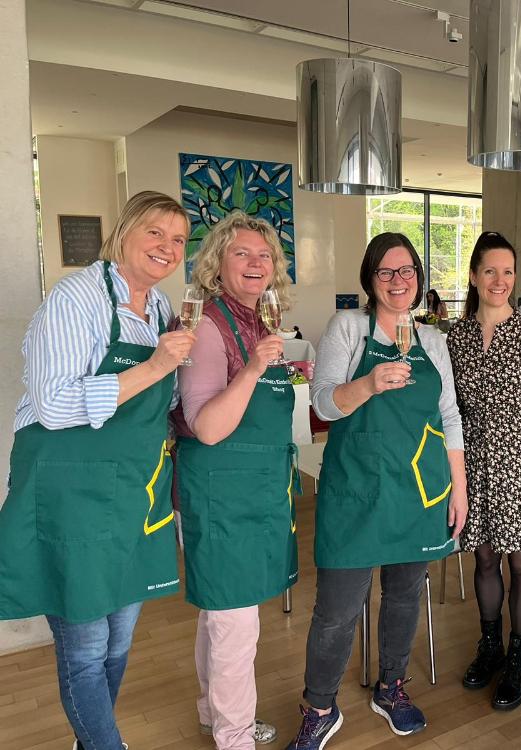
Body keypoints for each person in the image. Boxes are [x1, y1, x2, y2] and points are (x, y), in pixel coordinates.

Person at [0, 191, 195, 750]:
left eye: (178, 239)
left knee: (117, 642)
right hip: (69, 493)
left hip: (131, 494)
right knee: (84, 649)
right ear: (125, 232)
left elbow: (161, 406)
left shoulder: (158, 310)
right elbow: (54, 404)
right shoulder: (75, 297)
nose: (167, 247)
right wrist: (158, 363)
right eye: (155, 232)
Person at [285, 232, 468, 749]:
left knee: (406, 595)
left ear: (419, 279)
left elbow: (449, 416)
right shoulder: (348, 327)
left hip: (419, 490)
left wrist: (460, 490)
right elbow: (322, 405)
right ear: (370, 279)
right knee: (337, 610)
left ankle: (392, 687)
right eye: (386, 272)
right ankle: (319, 707)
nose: (398, 281)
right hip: (357, 492)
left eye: (407, 271)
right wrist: (367, 384)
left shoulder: (432, 339)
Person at [172, 211, 296, 749]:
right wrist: (252, 371)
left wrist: (274, 369)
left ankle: (211, 712)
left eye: (264, 255)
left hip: (257, 488)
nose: (255, 263)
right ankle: (235, 737)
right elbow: (206, 425)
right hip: (220, 493)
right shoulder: (204, 327)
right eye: (241, 253)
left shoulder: (259, 323)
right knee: (234, 624)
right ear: (217, 262)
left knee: (220, 615)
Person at [447, 232, 521, 710]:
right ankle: (489, 645)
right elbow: (446, 408)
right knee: (486, 559)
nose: (500, 280)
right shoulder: (455, 336)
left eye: (508, 271)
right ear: (473, 276)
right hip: (472, 461)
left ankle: (518, 656)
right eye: (490, 271)